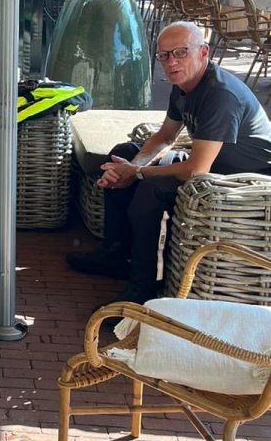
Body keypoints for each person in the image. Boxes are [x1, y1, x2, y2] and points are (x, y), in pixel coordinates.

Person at [66, 20, 271, 303]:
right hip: (210, 162)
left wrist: (138, 173)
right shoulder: (183, 84)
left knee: (151, 190)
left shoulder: (220, 94)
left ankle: (143, 288)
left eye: (181, 52)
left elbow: (196, 170)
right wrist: (132, 165)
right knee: (122, 153)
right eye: (164, 55)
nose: (171, 62)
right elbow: (165, 136)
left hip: (242, 179)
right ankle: (115, 255)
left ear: (203, 52)